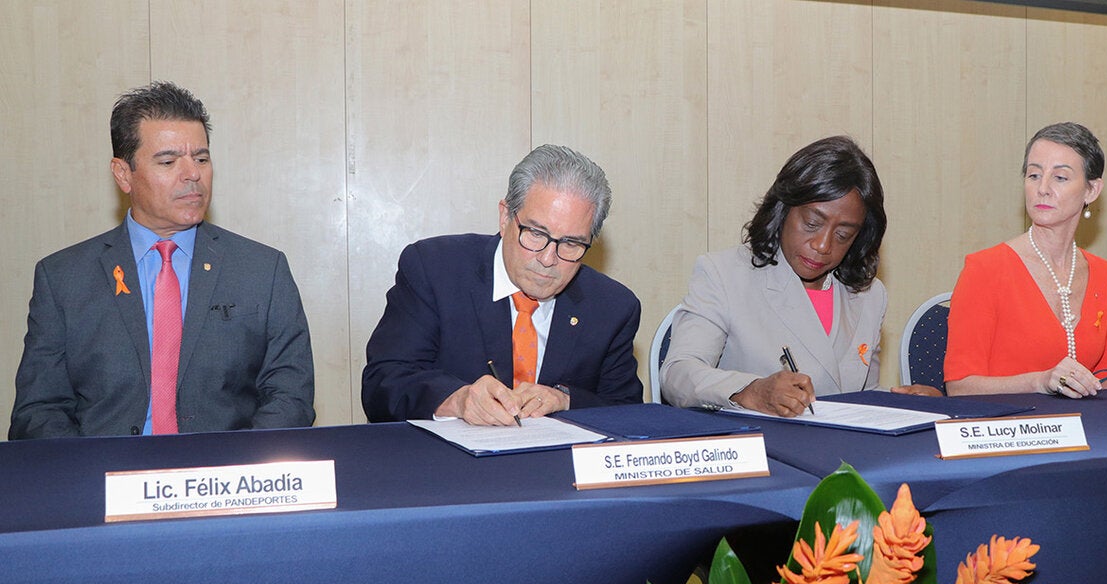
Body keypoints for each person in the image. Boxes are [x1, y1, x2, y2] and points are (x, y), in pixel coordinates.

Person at [9, 81, 315, 439]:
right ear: (124, 174)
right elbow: (39, 410)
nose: (192, 175)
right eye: (168, 161)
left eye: (201, 159)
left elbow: (289, 396)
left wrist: (235, 472)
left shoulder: (262, 271)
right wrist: (93, 477)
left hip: (224, 483)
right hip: (103, 480)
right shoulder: (64, 278)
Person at [362, 144, 642, 425]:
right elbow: (383, 384)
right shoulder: (435, 270)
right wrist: (457, 400)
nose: (548, 258)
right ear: (506, 217)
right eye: (535, 233)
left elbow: (629, 414)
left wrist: (567, 401)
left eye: (570, 243)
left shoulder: (612, 307)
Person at [914, 122, 1107, 398]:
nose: (1042, 188)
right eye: (1033, 175)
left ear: (1091, 190)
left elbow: (1099, 380)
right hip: (1007, 429)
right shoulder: (985, 269)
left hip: (1085, 430)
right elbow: (960, 386)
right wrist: (1040, 382)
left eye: (1060, 178)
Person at [660, 136, 887, 416]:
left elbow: (864, 399)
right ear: (783, 209)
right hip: (762, 447)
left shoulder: (869, 295)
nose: (823, 245)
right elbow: (677, 374)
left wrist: (910, 402)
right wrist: (750, 391)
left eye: (843, 235)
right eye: (812, 223)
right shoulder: (725, 274)